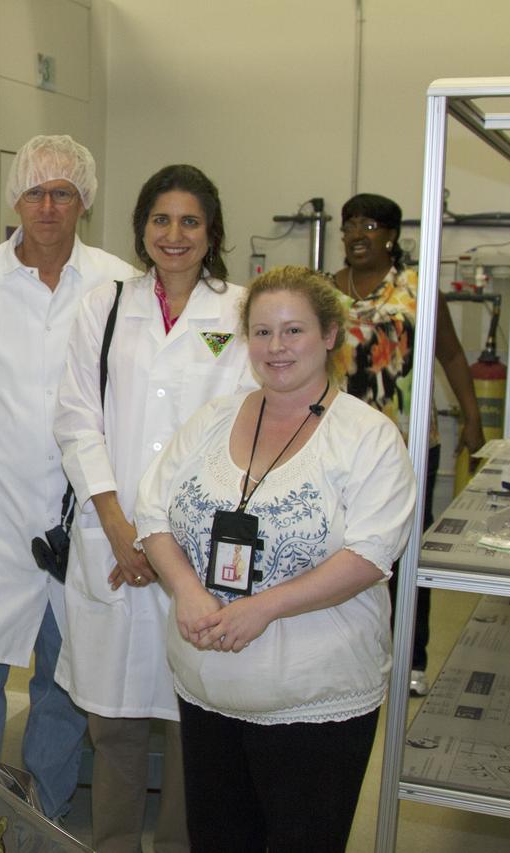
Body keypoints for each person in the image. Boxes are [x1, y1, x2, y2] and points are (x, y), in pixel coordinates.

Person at [137, 266, 417, 853]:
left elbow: (369, 554)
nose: (276, 348)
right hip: (209, 689)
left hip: (315, 704)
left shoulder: (368, 438)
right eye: (262, 333)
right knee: (216, 839)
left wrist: (262, 608)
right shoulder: (213, 420)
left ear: (330, 336)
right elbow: (153, 514)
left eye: (293, 331)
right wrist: (187, 590)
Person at [0, 134, 139, 819]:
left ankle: (40, 822)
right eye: (35, 192)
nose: (48, 207)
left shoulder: (116, 284)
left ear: (85, 202)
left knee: (62, 687)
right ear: (15, 199)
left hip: (82, 526)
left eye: (64, 193)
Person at [53, 164, 254, 852]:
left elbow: (244, 429)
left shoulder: (241, 311)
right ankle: (112, 843)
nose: (174, 235)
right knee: (113, 719)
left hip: (196, 547)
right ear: (142, 227)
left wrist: (166, 538)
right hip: (111, 538)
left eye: (190, 221)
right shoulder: (104, 304)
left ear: (211, 231)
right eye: (161, 219)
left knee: (191, 716)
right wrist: (118, 527)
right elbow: (78, 419)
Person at [332, 192, 484, 696]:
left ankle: (411, 659)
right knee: (342, 549)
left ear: (392, 235)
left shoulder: (418, 290)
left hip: (409, 443)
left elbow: (454, 357)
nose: (358, 234)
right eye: (350, 224)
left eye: (369, 225)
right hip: (339, 446)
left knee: (403, 554)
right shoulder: (327, 291)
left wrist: (473, 418)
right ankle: (350, 652)